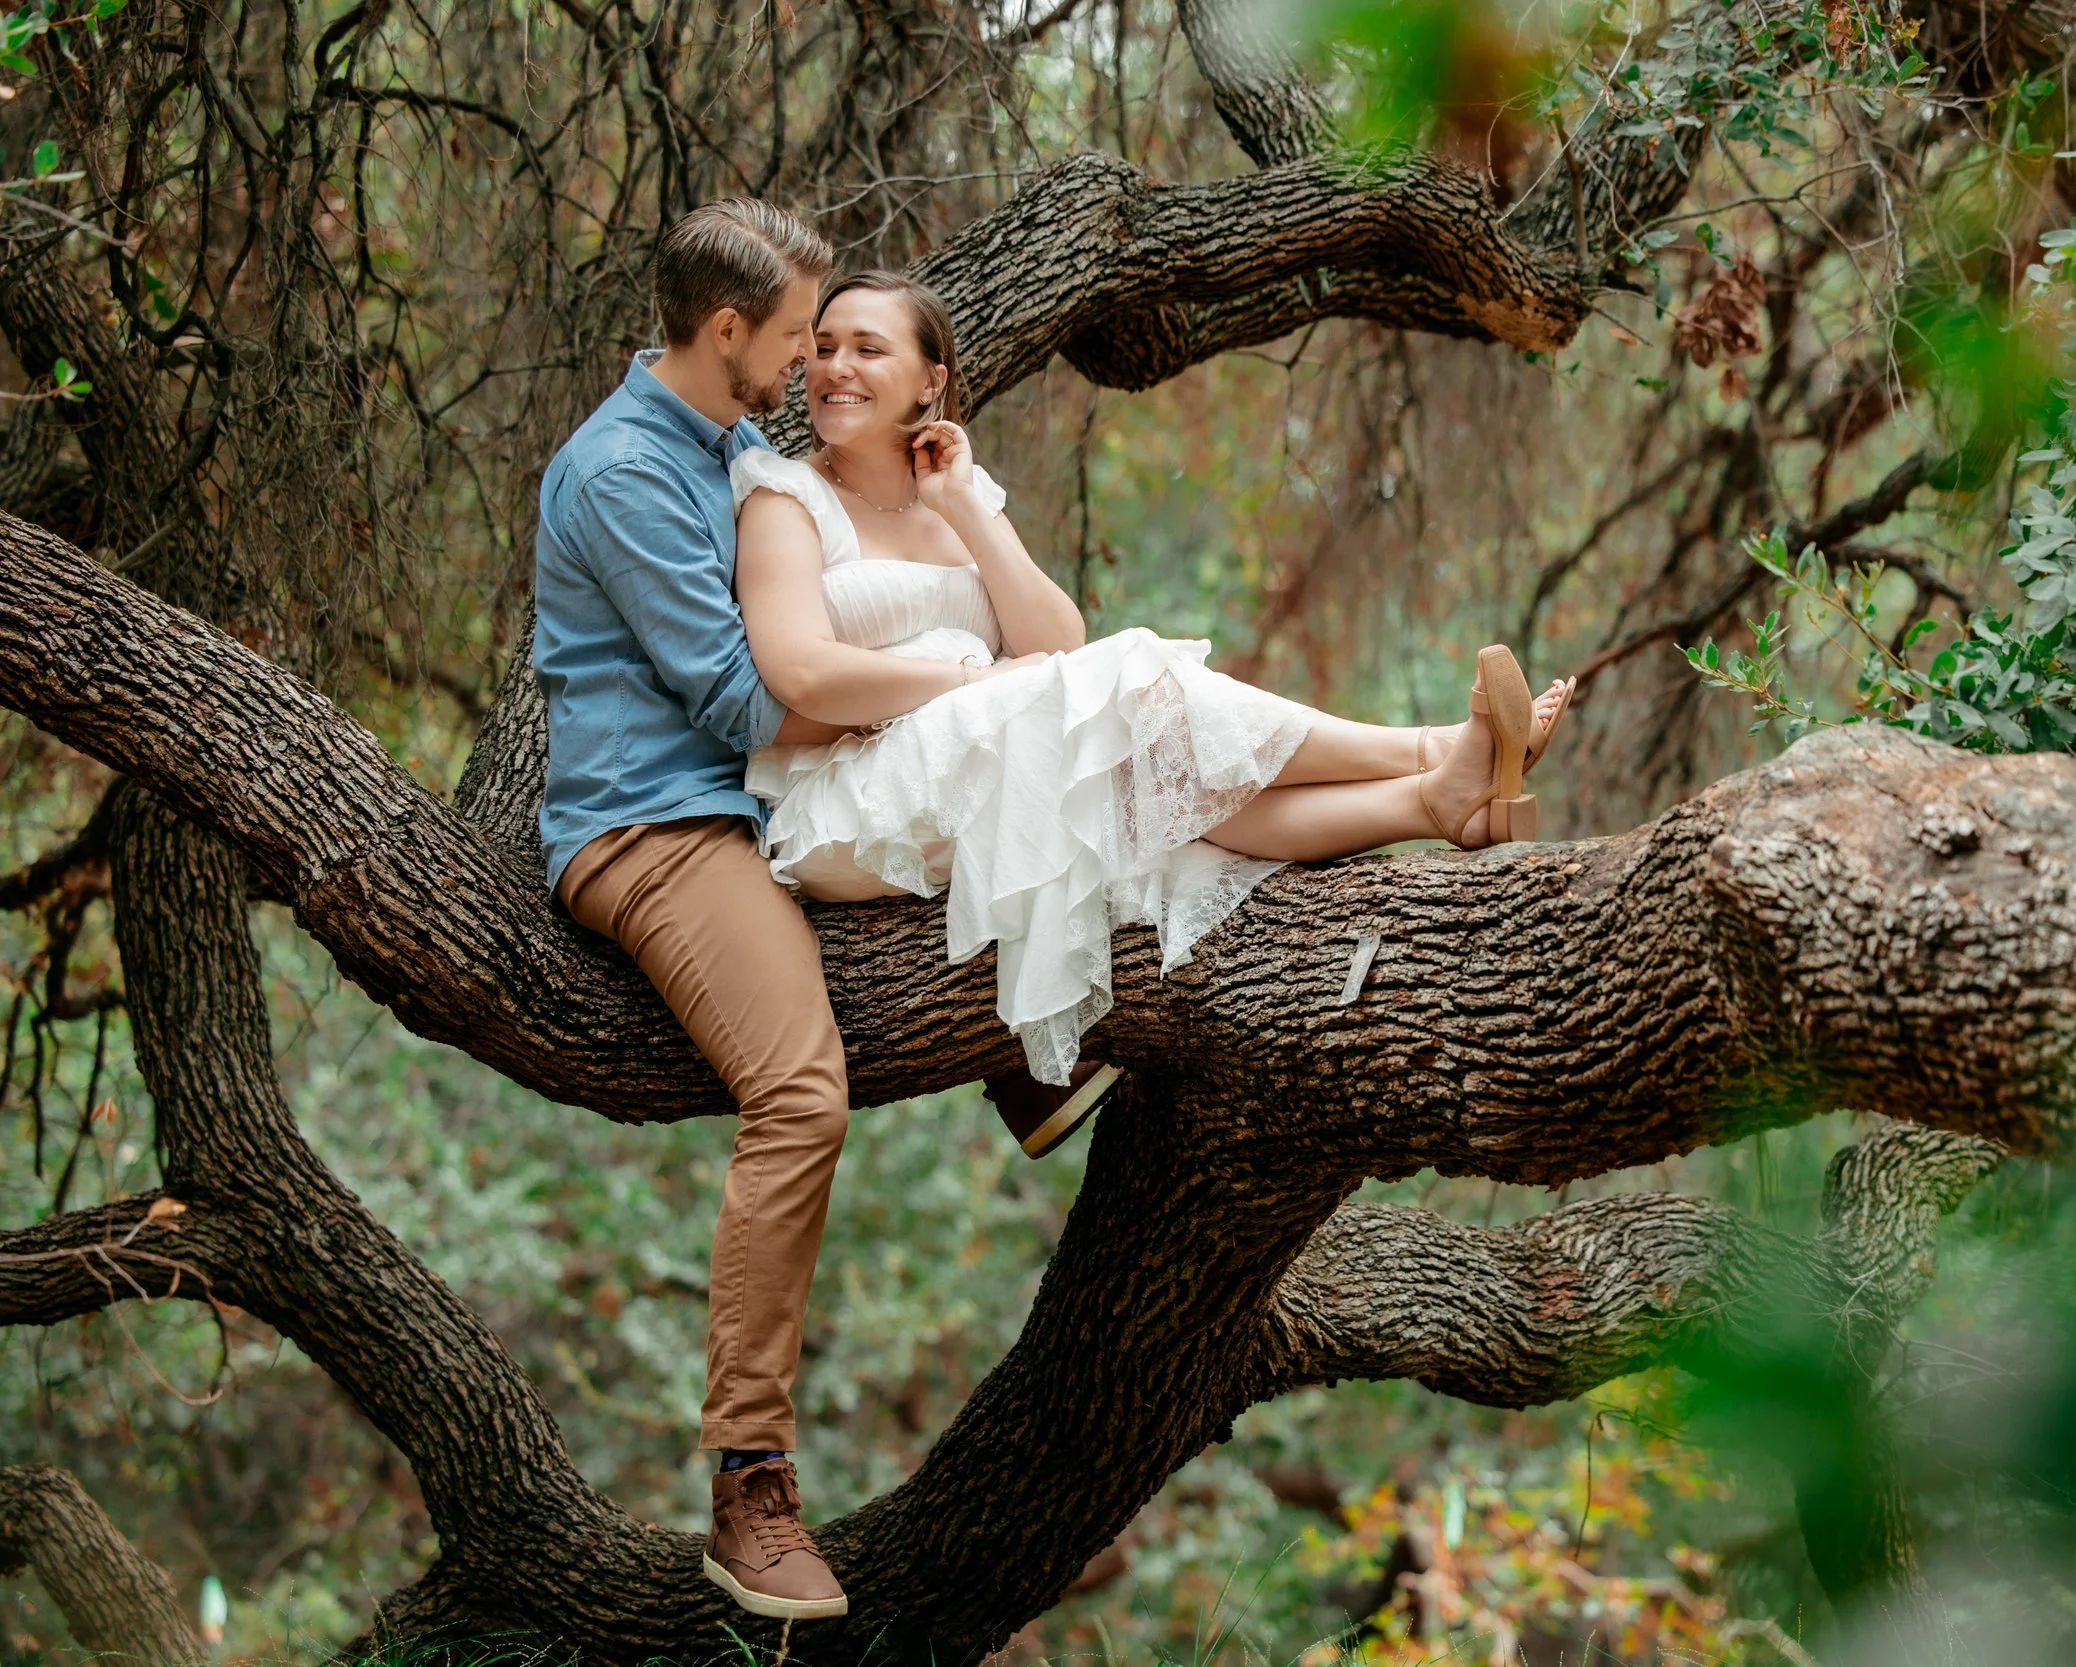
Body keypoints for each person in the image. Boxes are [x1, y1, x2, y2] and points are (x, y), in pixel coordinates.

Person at [731, 270, 1575, 1094]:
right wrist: (968, 682)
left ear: (931, 379)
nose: (834, 367)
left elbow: (1054, 639)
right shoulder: (785, 497)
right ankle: (1426, 747)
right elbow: (800, 672)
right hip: (852, 801)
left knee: (1168, 802)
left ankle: (1434, 801)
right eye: (825, 347)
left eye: (868, 349)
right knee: (1130, 679)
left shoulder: (958, 496)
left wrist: (961, 506)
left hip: (985, 750)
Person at [531, 198, 857, 1623]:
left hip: (755, 810)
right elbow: (740, 695)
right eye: (793, 338)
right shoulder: (616, 473)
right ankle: (749, 1481)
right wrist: (947, 688)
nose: (803, 364)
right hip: (653, 828)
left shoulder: (727, 440)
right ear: (725, 331)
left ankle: (1033, 1060)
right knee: (801, 1093)